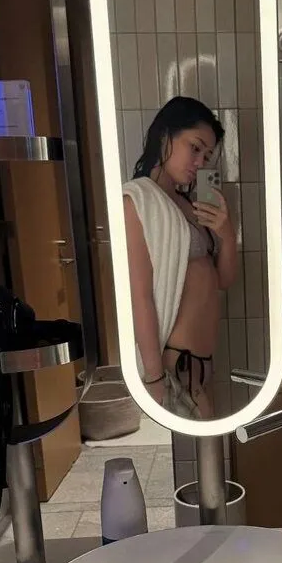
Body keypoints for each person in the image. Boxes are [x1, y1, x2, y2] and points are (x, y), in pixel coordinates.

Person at [122, 97, 239, 419]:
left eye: (207, 155)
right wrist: (153, 376)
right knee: (206, 443)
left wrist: (227, 234)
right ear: (165, 136)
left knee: (210, 444)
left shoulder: (189, 204)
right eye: (195, 148)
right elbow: (140, 295)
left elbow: (224, 280)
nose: (200, 162)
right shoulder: (137, 201)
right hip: (176, 364)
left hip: (202, 363)